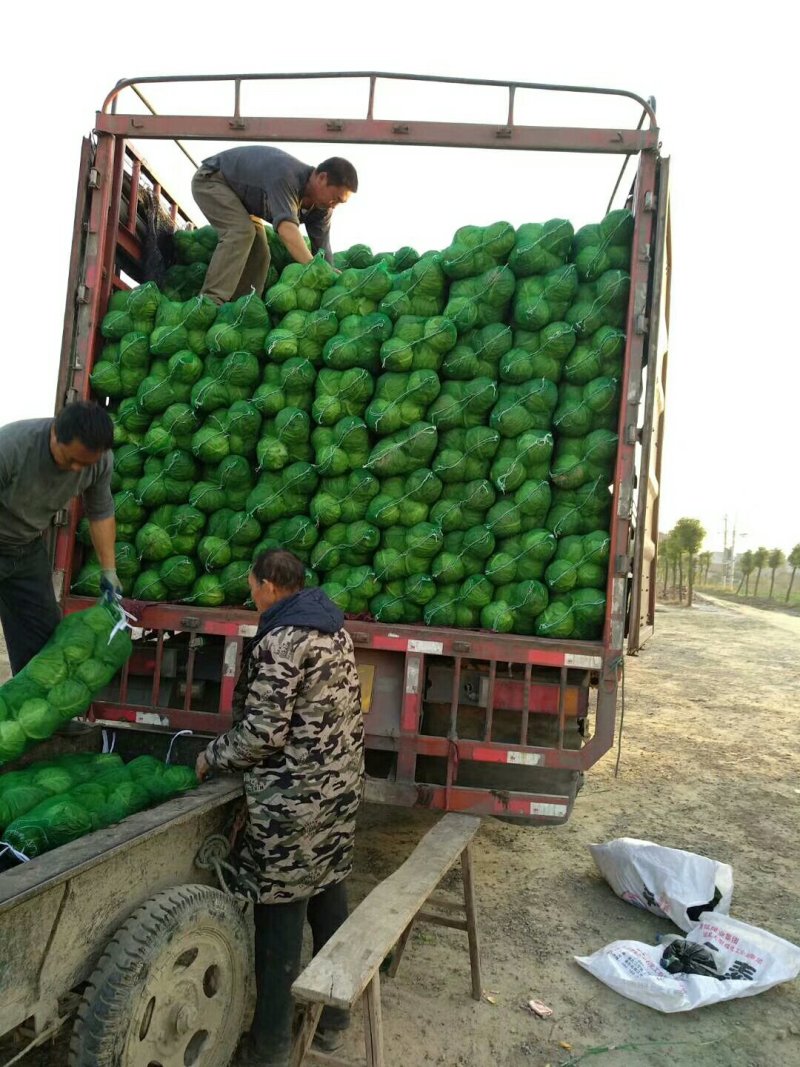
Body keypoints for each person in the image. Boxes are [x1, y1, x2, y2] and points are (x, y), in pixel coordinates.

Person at [195, 549, 364, 1067]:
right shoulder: (334, 628)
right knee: (328, 894)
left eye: (251, 583)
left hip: (293, 800)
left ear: (267, 585)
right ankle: (335, 1018)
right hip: (338, 788)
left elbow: (265, 734)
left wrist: (212, 756)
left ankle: (269, 1046)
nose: (250, 591)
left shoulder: (280, 640)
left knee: (280, 914)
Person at [0, 402, 119, 675]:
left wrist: (109, 570)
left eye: (85, 463)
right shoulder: (11, 447)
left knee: (42, 639)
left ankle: (29, 709)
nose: (77, 469)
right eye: (70, 459)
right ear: (54, 432)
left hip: (27, 549)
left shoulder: (100, 460)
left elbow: (100, 511)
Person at [191, 146, 358, 305]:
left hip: (243, 204)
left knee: (261, 253)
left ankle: (240, 308)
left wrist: (332, 276)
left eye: (340, 202)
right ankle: (210, 302)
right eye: (335, 198)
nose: (334, 205)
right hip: (212, 181)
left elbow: (322, 249)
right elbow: (286, 229)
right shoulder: (286, 175)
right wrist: (314, 268)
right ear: (322, 178)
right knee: (241, 232)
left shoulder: (322, 208)